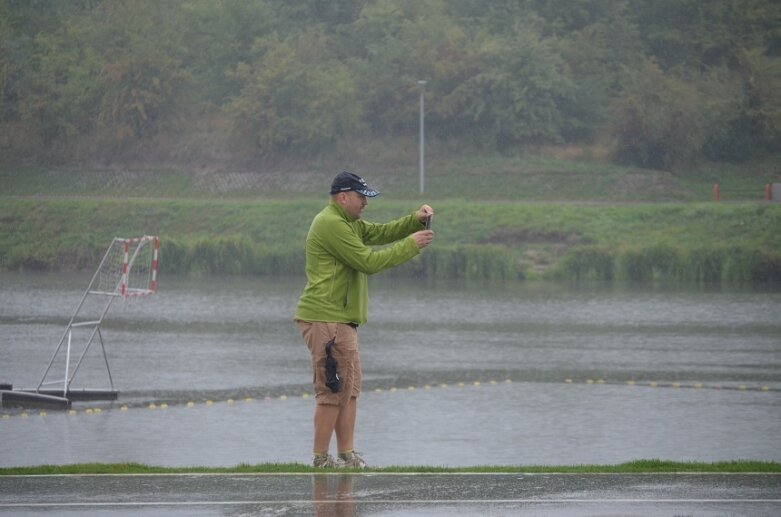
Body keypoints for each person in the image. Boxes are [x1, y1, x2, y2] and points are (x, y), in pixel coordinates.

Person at [294, 171, 434, 468]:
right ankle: (320, 458)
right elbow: (367, 262)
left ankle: (347, 454)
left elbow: (380, 233)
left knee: (350, 390)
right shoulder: (331, 223)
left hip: (342, 320)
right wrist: (411, 245)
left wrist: (414, 220)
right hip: (326, 318)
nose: (365, 204)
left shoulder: (349, 223)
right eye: (361, 198)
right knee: (332, 390)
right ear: (343, 197)